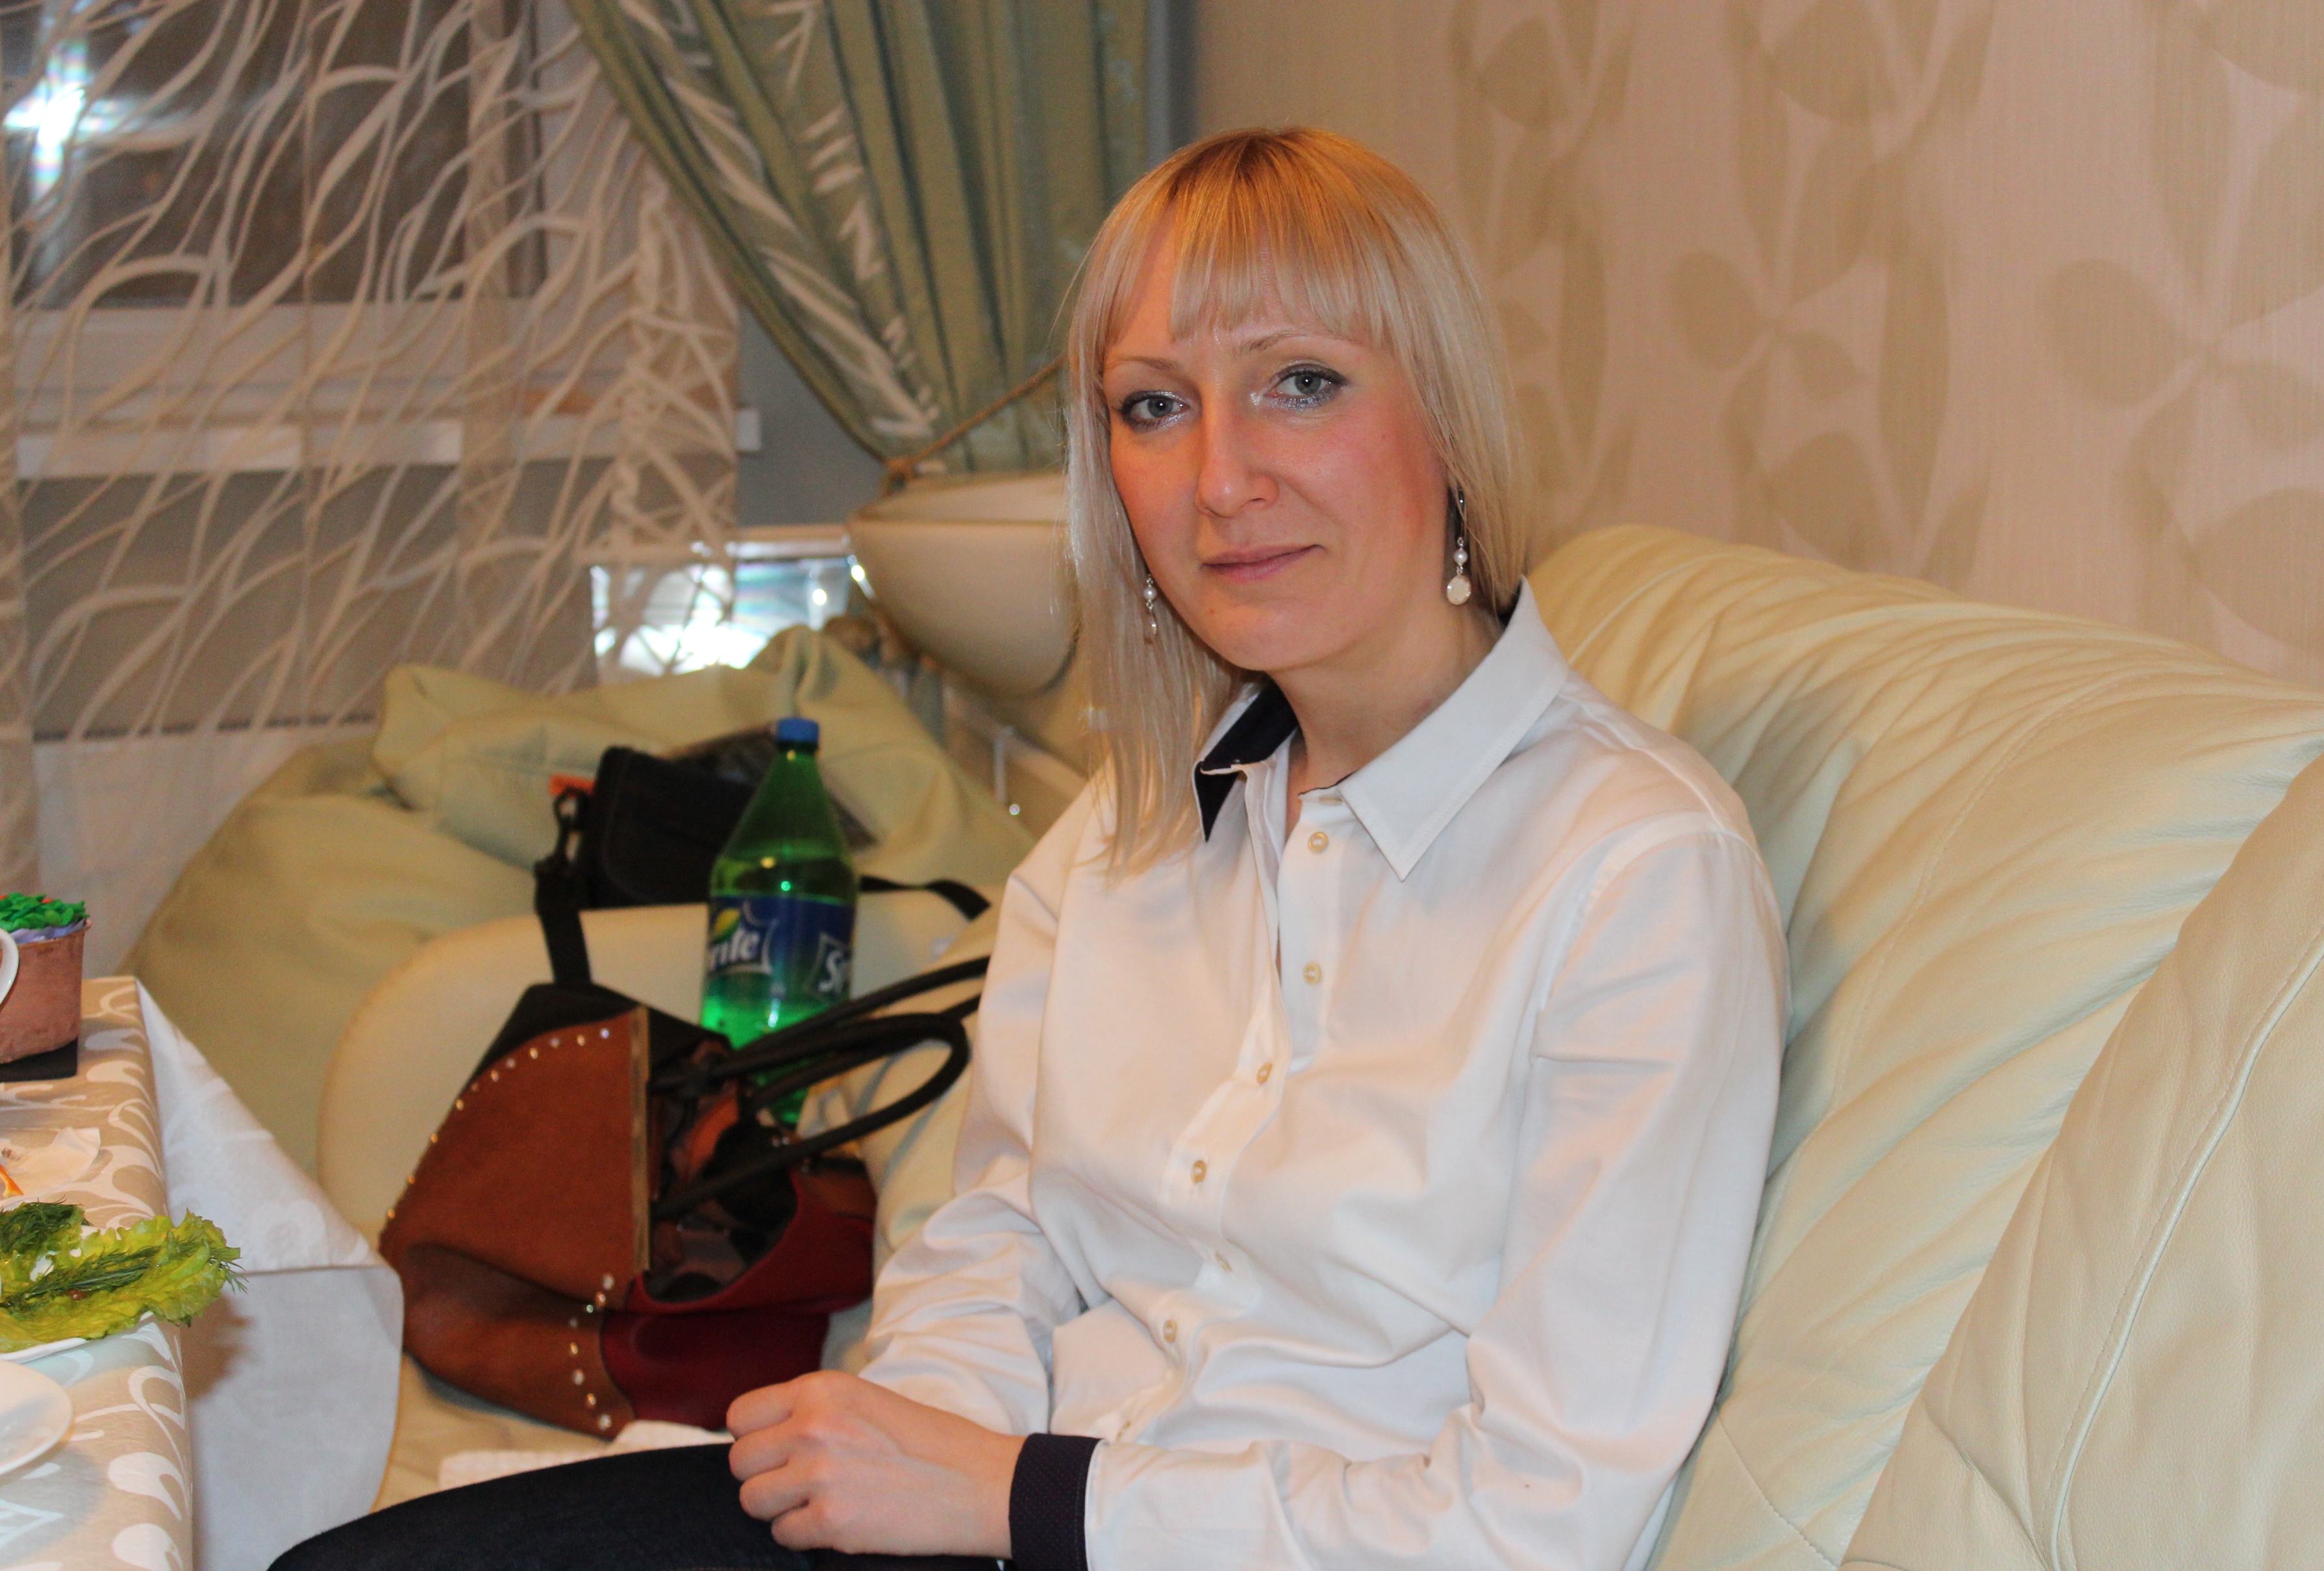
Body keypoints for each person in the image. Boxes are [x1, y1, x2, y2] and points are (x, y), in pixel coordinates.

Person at [277, 126, 1783, 1571]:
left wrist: (1017, 1495)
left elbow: (1542, 1522)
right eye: (1154, 407)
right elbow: (998, 1234)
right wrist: (908, 1455)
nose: (1221, 480)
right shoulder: (1131, 828)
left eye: (1301, 384)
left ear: (1447, 417)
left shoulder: (1635, 874)